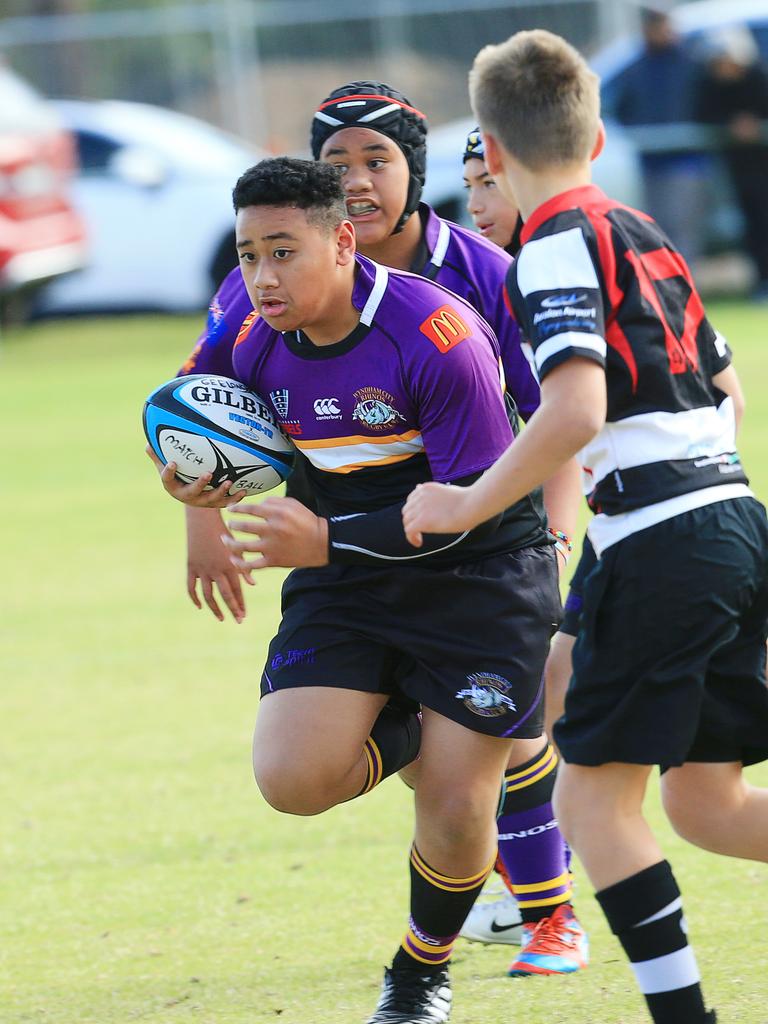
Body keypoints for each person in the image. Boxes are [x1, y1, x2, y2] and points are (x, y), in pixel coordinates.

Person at [403, 29, 768, 1024]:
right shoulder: (643, 229)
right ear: (598, 137)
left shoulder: (554, 243)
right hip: (730, 517)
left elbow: (574, 411)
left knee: (590, 804)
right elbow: (727, 393)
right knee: (706, 804)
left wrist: (465, 503)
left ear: (493, 146)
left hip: (673, 540)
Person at [181, 82, 587, 974]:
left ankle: (470, 950)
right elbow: (204, 413)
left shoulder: (453, 310)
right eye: (250, 255)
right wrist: (198, 509)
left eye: (378, 160)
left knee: (457, 792)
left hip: (481, 565)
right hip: (358, 572)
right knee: (294, 780)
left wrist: (559, 536)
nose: (262, 274)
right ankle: (416, 713)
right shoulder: (254, 311)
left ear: (342, 239)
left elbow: (533, 445)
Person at [459, 124, 590, 971]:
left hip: (622, 522)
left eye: (491, 183)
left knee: (543, 712)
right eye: (470, 184)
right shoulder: (493, 271)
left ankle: (550, 908)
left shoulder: (553, 264)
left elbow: (572, 419)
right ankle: (536, 891)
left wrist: (566, 516)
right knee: (526, 708)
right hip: (550, 523)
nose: (478, 204)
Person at [609, 6, 708, 266]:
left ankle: (686, 282)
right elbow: (621, 106)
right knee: (659, 227)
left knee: (683, 224)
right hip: (652, 160)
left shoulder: (689, 63)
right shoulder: (638, 67)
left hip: (687, 158)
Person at [694, 24, 768, 300]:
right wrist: (730, 126)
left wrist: (755, 126)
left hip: (763, 165)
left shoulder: (759, 78)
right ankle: (762, 281)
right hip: (740, 170)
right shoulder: (710, 84)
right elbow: (703, 115)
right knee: (754, 225)